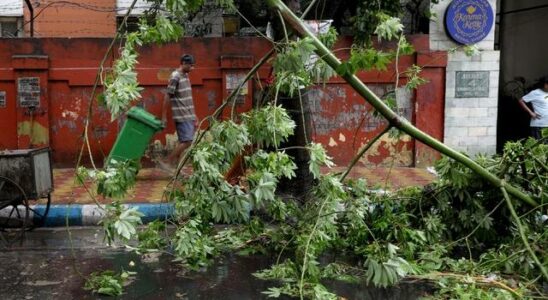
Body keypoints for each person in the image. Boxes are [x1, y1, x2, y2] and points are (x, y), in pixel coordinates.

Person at [158, 54, 197, 171]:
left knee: (184, 142)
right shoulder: (175, 77)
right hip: (181, 115)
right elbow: (167, 96)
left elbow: (188, 97)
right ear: (184, 63)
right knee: (187, 141)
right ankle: (167, 162)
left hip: (188, 115)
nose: (192, 68)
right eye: (190, 65)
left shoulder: (185, 75)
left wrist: (195, 115)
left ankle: (178, 169)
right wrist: (164, 116)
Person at [518, 76, 548, 140]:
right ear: (545, 84)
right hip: (539, 125)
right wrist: (531, 112)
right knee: (539, 146)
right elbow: (521, 100)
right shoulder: (535, 93)